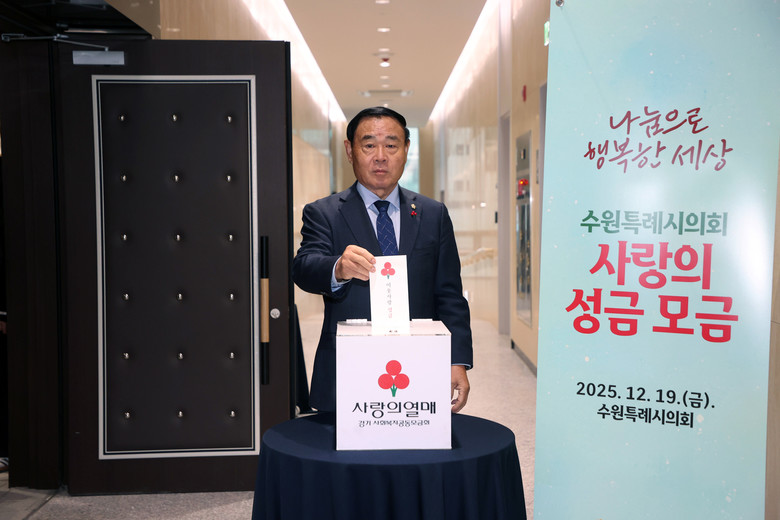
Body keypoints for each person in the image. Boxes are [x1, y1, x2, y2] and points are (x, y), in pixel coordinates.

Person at [292, 106, 473, 413]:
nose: (380, 156)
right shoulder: (323, 213)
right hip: (348, 365)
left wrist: (457, 359)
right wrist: (338, 267)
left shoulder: (433, 214)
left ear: (406, 149)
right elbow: (304, 268)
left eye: (391, 145)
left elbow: (449, 294)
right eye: (369, 145)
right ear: (350, 150)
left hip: (420, 362)